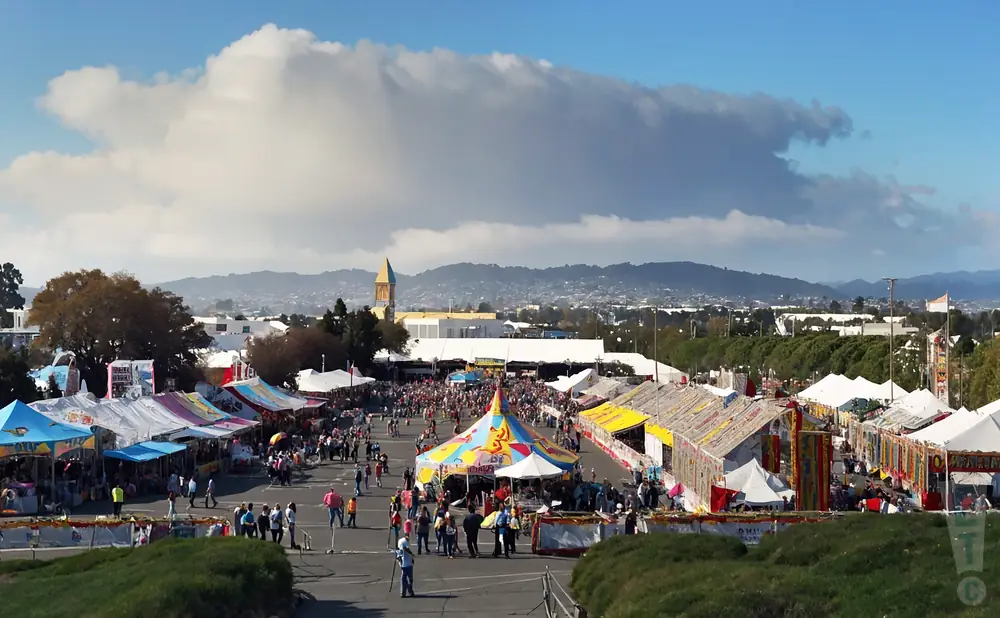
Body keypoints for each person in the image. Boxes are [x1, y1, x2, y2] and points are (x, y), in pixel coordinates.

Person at [397, 532, 416, 598]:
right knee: (408, 578)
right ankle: (408, 591)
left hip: (405, 563)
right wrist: (412, 554)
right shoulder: (404, 542)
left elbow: (399, 551)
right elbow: (405, 549)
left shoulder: (401, 541)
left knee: (404, 578)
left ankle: (404, 592)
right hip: (406, 563)